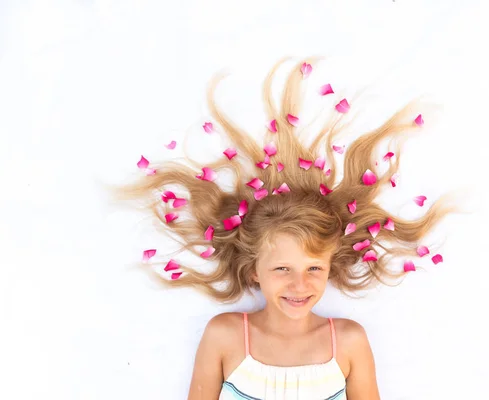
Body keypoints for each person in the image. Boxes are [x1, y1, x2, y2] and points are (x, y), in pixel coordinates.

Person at [114, 57, 463, 399]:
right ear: (253, 271)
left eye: (314, 268)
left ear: (330, 268)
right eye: (282, 268)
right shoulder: (224, 336)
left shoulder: (349, 342)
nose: (300, 284)